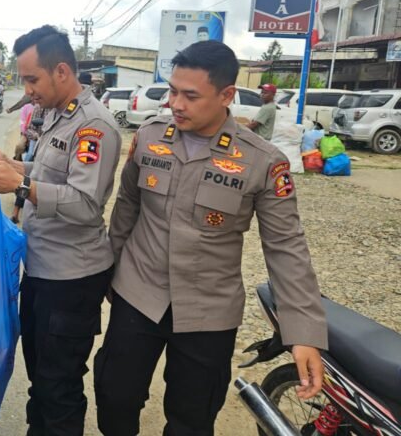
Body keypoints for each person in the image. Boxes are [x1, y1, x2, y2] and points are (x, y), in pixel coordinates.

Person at [94, 41, 326, 436]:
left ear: (226, 96)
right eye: (172, 91)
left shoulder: (262, 161)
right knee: (115, 398)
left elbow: (286, 247)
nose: (176, 104)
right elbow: (126, 209)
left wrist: (303, 333)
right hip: (139, 293)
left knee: (192, 418)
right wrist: (106, 274)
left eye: (190, 95)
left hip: (208, 311)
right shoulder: (150, 137)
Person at [0, 25, 122, 436]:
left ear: (61, 71)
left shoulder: (94, 127)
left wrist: (22, 186)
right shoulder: (55, 115)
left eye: (32, 79)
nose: (27, 90)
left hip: (72, 278)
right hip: (42, 268)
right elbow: (49, 174)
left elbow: (84, 203)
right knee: (42, 380)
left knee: (58, 386)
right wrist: (14, 169)